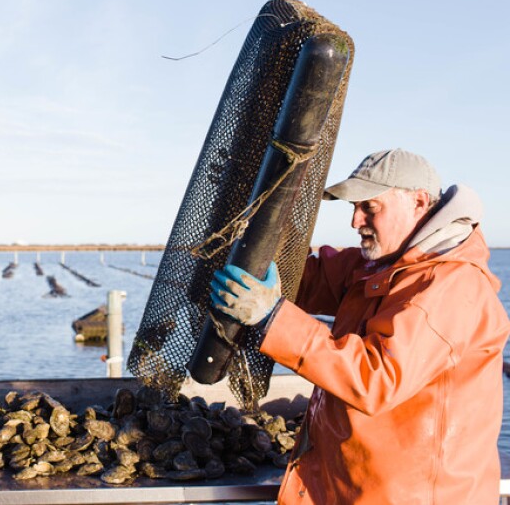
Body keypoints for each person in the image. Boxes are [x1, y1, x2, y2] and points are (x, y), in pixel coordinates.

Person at [210, 148, 510, 504]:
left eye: (370, 206)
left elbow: (376, 377)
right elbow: (306, 280)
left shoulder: (451, 285)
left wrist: (271, 316)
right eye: (354, 207)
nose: (355, 221)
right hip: (355, 486)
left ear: (417, 202)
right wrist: (256, 221)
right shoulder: (383, 265)